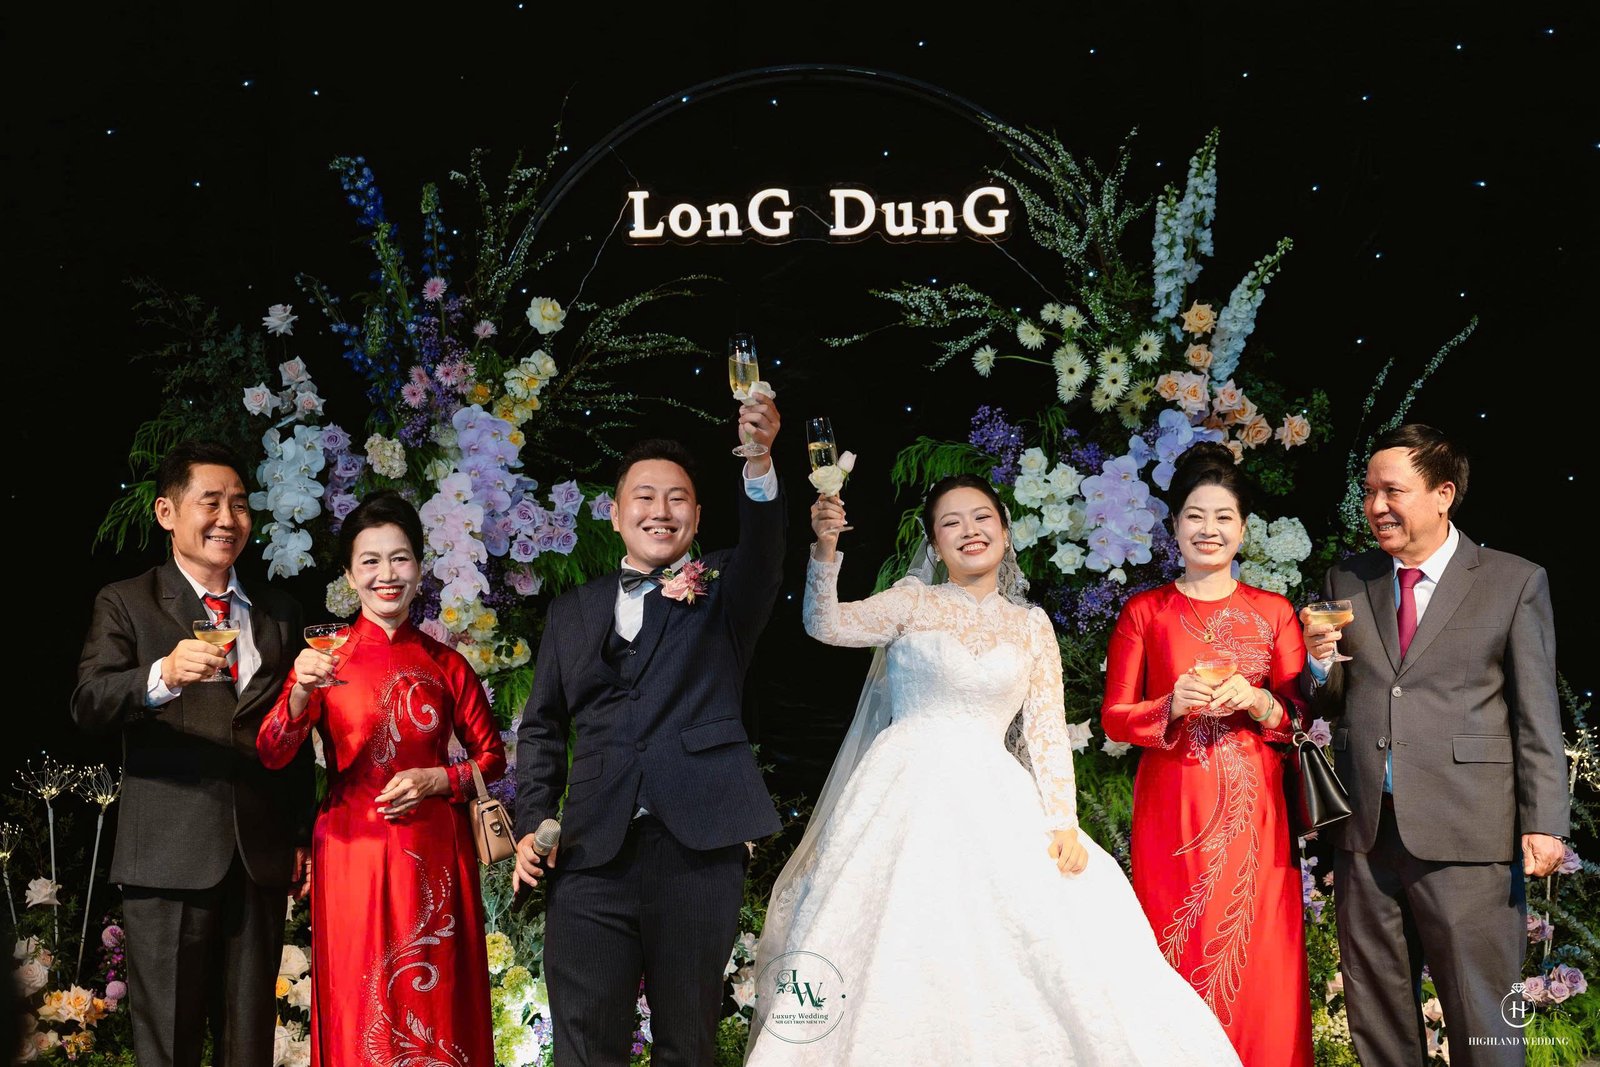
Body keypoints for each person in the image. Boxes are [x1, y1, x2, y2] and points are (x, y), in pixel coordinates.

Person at [744, 474, 1242, 1066]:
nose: (969, 531)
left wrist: (1062, 820)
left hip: (993, 792)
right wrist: (825, 549)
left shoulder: (1030, 626)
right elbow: (825, 624)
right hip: (905, 789)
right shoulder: (911, 602)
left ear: (1005, 532)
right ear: (934, 544)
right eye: (951, 523)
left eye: (981, 518)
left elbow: (1045, 729)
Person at [512, 398, 786, 1066]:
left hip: (698, 848)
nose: (661, 511)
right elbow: (542, 727)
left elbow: (766, 548)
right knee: (583, 1044)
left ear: (697, 516)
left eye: (677, 499)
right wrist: (531, 820)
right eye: (645, 497)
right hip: (590, 851)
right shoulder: (573, 611)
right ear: (615, 513)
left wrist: (758, 460)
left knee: (686, 1045)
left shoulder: (722, 588)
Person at [1301, 423, 1567, 1066]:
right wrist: (1318, 664)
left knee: (1484, 1018)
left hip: (1468, 831)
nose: (1376, 506)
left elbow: (1536, 711)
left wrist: (1544, 821)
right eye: (1369, 491)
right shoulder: (1348, 578)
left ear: (1443, 493)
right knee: (1377, 1018)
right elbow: (1331, 700)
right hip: (1367, 832)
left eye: (1392, 491)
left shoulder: (1512, 581)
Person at [71, 441, 310, 1067]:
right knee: (168, 1047)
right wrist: (162, 676)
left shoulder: (280, 614)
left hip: (258, 859)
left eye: (240, 504)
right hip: (166, 857)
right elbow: (89, 703)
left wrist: (299, 834)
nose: (228, 519)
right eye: (211, 502)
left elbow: (294, 733)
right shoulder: (128, 601)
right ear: (167, 512)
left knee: (248, 1045)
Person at [256, 491, 506, 1065]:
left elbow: (491, 758)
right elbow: (272, 752)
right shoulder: (326, 660)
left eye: (399, 558)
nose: (386, 575)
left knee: (438, 998)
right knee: (358, 996)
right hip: (352, 854)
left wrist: (439, 780)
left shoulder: (447, 664)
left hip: (436, 855)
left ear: (419, 567)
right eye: (369, 561)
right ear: (349, 575)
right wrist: (299, 692)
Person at [1099, 442, 1312, 1066]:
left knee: (1261, 955)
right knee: (1175, 947)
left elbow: (1301, 719)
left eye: (1223, 517)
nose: (1208, 529)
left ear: (1243, 529)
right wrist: (1170, 705)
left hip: (1257, 815)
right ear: (1174, 527)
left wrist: (1260, 701)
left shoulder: (1275, 613)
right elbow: (1114, 718)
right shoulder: (1145, 612)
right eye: (1195, 516)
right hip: (1172, 807)